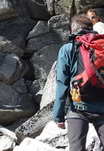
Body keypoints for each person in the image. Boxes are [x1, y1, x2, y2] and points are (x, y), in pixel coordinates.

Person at [53, 14, 104, 151]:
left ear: (72, 30)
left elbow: (61, 83)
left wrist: (58, 116)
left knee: (76, 148)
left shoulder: (68, 48)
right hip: (102, 105)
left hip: (78, 107)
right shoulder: (101, 47)